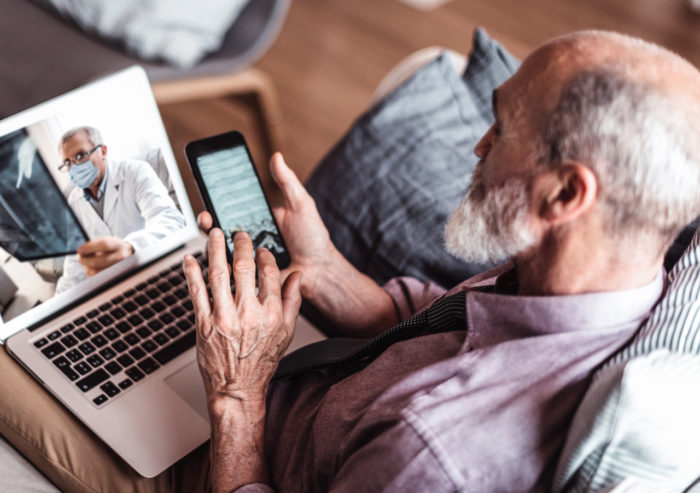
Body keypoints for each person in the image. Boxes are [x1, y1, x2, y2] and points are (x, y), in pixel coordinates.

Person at [0, 29, 698, 493]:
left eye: (503, 127)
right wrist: (329, 270)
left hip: (230, 457)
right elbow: (446, 320)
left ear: (566, 192)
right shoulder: (601, 283)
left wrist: (238, 395)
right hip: (294, 374)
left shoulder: (431, 459)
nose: (478, 145)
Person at [55, 126, 185, 294]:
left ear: (103, 151)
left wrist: (131, 248)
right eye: (67, 162)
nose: (74, 167)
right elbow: (74, 262)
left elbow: (171, 220)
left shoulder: (136, 171)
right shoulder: (74, 200)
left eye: (80, 156)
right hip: (113, 287)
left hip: (152, 269)